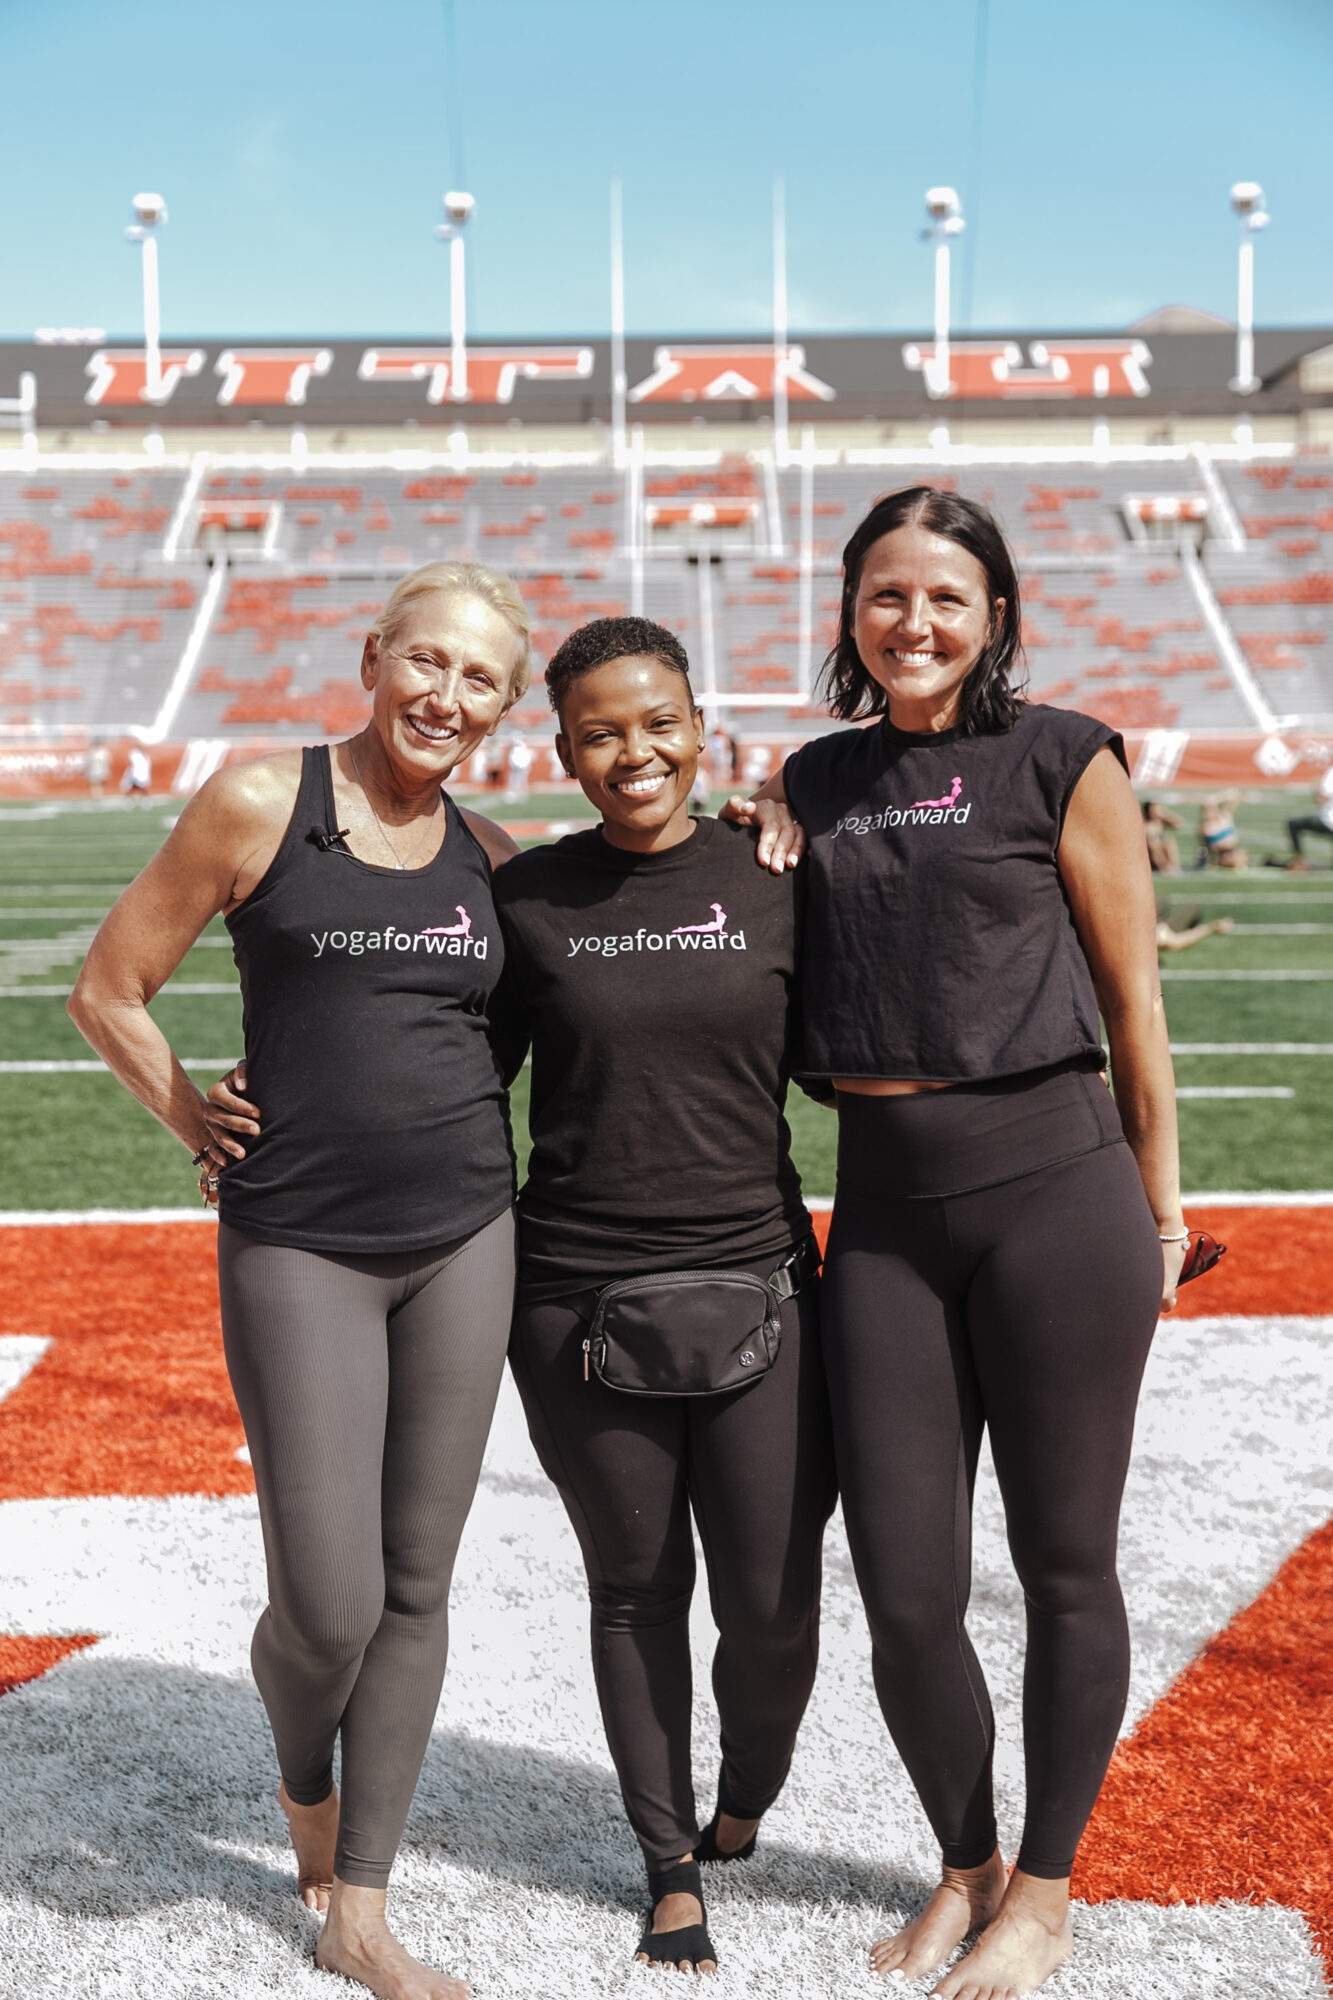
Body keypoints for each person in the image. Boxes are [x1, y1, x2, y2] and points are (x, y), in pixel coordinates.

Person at [68, 559, 531, 2000]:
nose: (447, 697)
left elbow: (519, 1027)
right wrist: (192, 1124)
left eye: (482, 681)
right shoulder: (262, 802)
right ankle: (303, 1795)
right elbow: (108, 987)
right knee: (326, 1605)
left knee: (416, 1583)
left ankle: (361, 1909)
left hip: (465, 1236)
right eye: (430, 663)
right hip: (300, 1243)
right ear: (373, 654)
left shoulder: (496, 855)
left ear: (503, 707)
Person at [752, 487, 1190, 1999]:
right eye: (885, 594)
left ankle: (1047, 1895)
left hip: (1055, 1197)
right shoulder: (809, 776)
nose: (913, 622)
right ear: (849, 612)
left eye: (946, 595)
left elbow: (1135, 1002)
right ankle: (966, 1864)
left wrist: (1163, 1211)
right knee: (908, 1589)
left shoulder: (1066, 757)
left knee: (1064, 1563)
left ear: (996, 612)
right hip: (880, 1214)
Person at [491, 618, 837, 1975]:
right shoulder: (529, 902)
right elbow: (457, 1081)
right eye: (598, 731)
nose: (632, 753)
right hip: (573, 1300)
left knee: (770, 1604)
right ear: (564, 747)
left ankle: (744, 1792)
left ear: (702, 728)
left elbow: (863, 1058)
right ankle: (667, 1866)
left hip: (762, 1285)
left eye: (657, 723)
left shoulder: (777, 878)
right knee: (633, 1591)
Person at [1287, 764, 1333, 868]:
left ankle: (1299, 860)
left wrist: (1316, 788)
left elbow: (1321, 799)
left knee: (1293, 823)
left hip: (1328, 822)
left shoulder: (1331, 773)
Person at [1196, 791, 1248, 870]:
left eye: (1211, 809)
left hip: (1234, 851)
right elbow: (1211, 848)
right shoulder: (1204, 827)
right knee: (1235, 859)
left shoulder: (1225, 817)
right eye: (1206, 810)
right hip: (1221, 855)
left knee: (1241, 856)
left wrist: (1217, 798)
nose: (1207, 813)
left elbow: (1235, 794)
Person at [1141, 798, 1183, 873]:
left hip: (1161, 852)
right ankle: (1165, 868)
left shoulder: (1160, 822)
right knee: (1153, 845)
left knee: (1169, 841)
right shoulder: (1144, 824)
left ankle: (1175, 867)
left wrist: (1165, 814)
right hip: (1150, 855)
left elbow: (1179, 824)